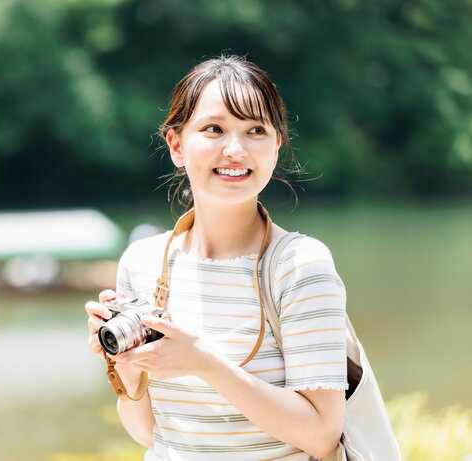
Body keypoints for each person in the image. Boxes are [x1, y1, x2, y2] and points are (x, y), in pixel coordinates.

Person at [85, 55, 348, 461]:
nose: (235, 149)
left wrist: (205, 363)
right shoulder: (142, 263)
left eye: (255, 130)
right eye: (214, 129)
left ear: (276, 145)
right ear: (176, 145)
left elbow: (321, 435)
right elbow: (147, 432)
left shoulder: (299, 265)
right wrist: (125, 365)